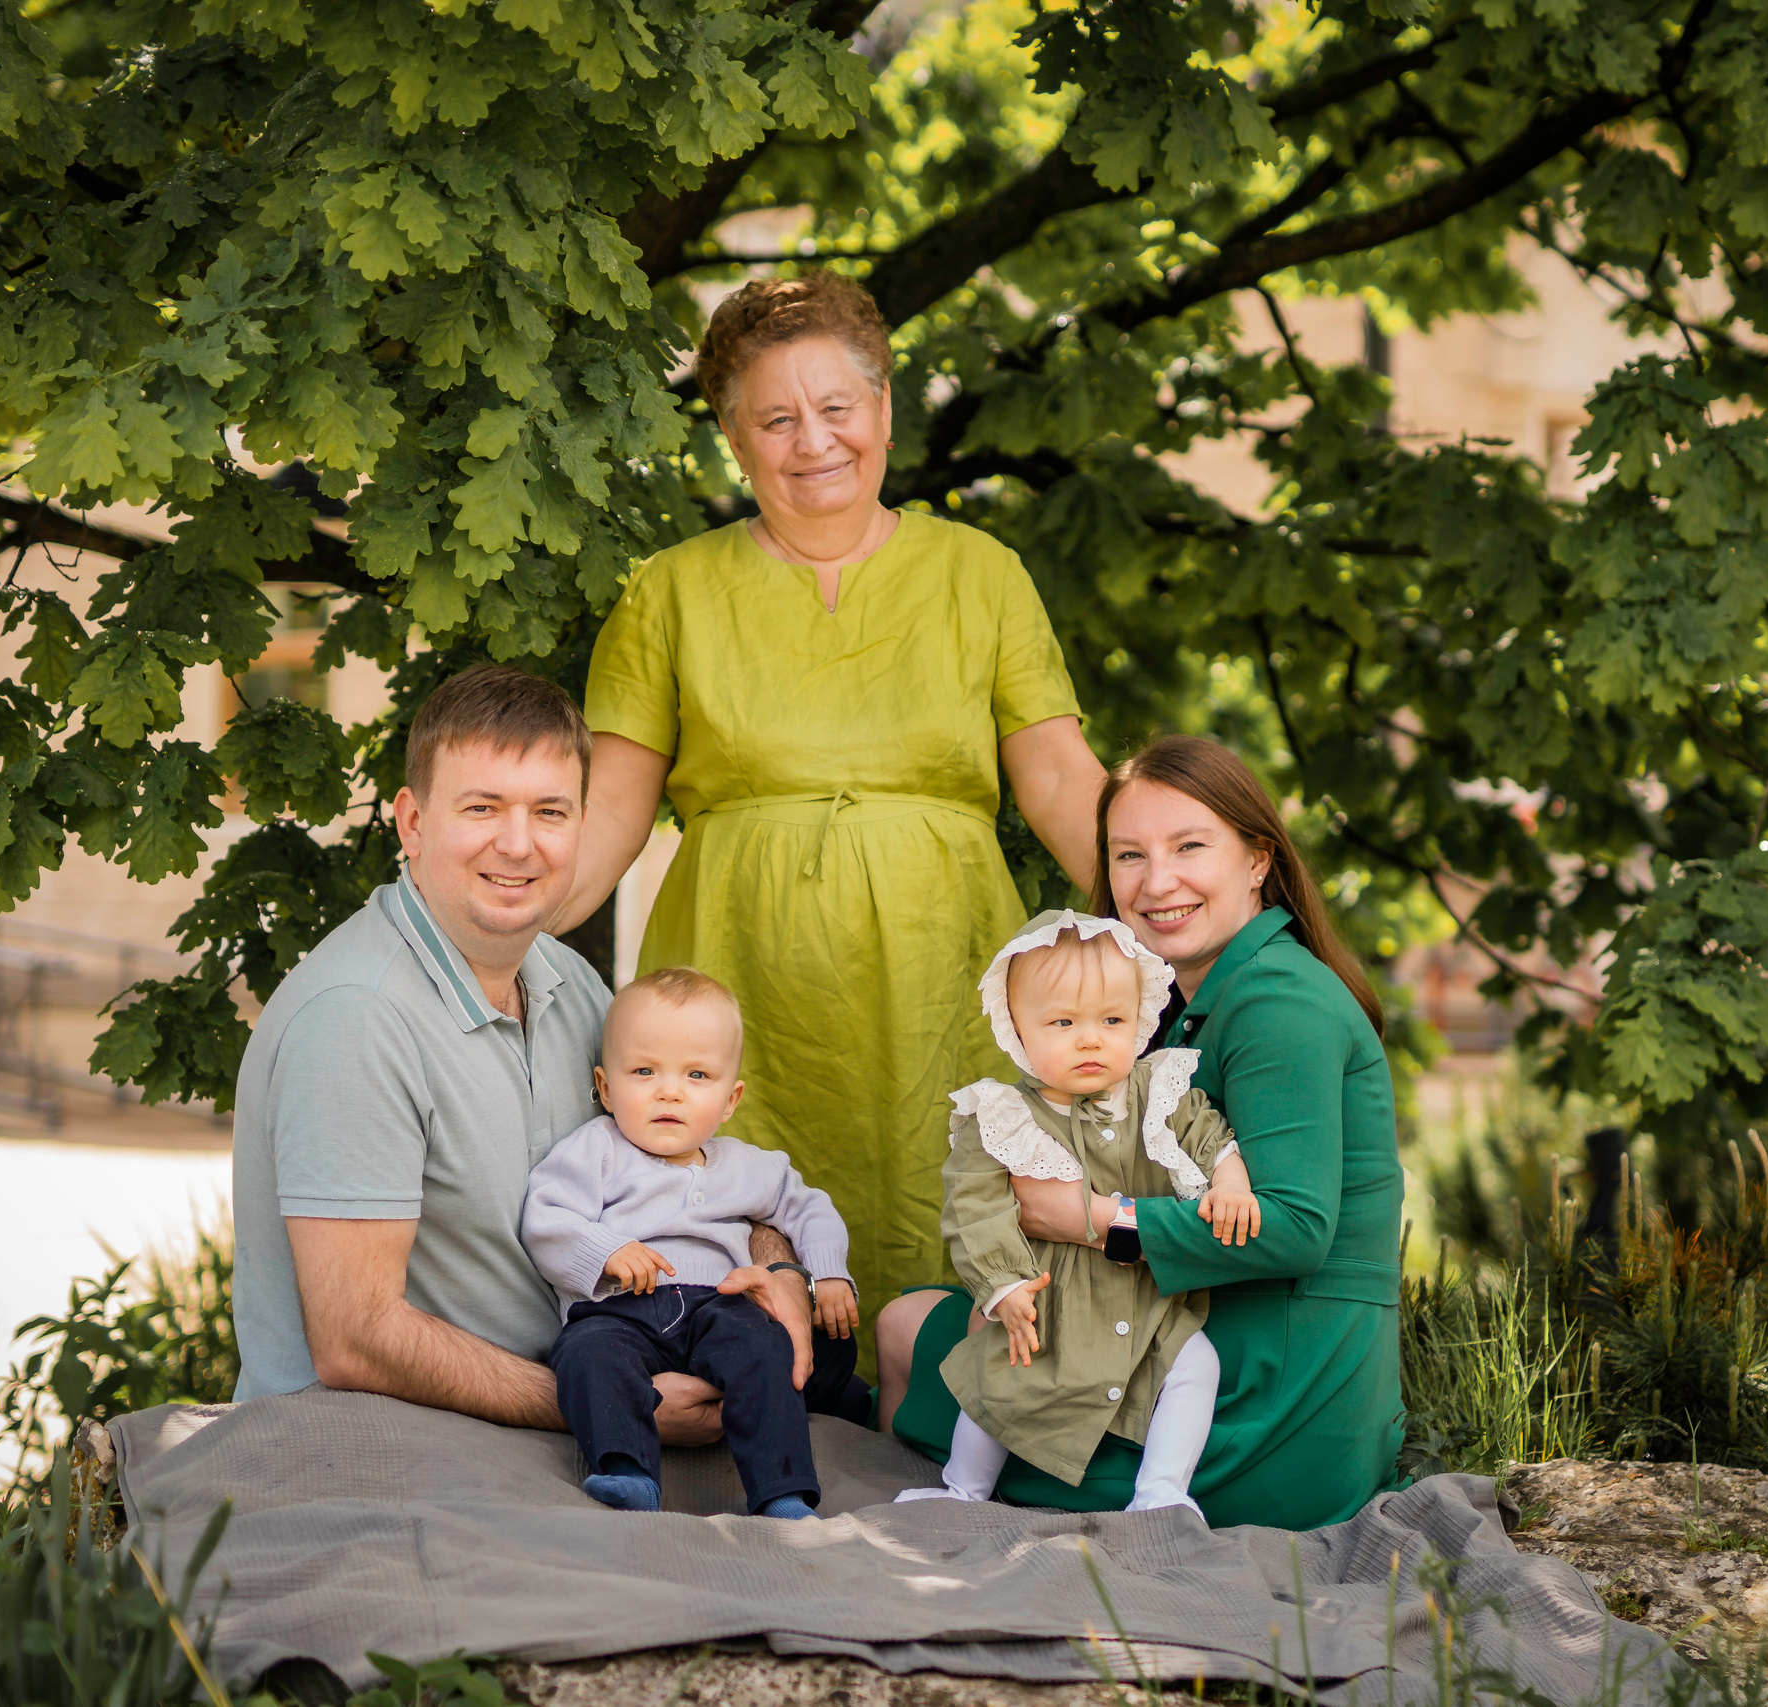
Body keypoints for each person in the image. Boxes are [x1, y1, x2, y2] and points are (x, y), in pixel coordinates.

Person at [551, 270, 1108, 1341]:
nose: (813, 440)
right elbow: (608, 815)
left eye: (836, 408)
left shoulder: (980, 574)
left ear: (885, 410)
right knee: (739, 1265)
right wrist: (488, 941)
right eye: (775, 417)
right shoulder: (667, 591)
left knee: (947, 1242)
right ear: (732, 438)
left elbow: (1056, 781)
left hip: (946, 981)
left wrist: (1183, 922)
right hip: (735, 986)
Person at [228, 665, 838, 1446]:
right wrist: (616, 1400)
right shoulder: (357, 1016)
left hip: (556, 1415)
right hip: (368, 1445)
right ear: (412, 822)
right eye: (482, 807)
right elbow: (357, 1339)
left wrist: (779, 1267)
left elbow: (693, 1162)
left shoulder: (572, 985)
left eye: (549, 811)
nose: (518, 844)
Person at [879, 737, 1407, 1532]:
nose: (1156, 881)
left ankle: (944, 1533)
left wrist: (1088, 1221)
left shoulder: (1277, 1003)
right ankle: (956, 1513)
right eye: (1129, 855)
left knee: (906, 1328)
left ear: (1258, 859)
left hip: (1278, 1398)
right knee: (964, 1318)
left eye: (1190, 846)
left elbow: (1296, 1230)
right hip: (1235, 1338)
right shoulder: (1191, 1002)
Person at [895, 912, 1259, 1515]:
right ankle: (963, 1490)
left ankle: (1161, 1493)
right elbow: (975, 1209)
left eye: (1112, 1020)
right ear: (1018, 1030)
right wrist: (1005, 1286)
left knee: (1196, 1365)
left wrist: (1231, 1183)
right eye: (1063, 1022)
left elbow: (1210, 1138)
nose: (1091, 1039)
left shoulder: (1159, 1091)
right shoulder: (1004, 1116)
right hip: (1050, 1297)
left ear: (1140, 1018)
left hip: (1148, 1300)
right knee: (1001, 1381)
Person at [524, 969, 858, 1518]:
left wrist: (827, 1273)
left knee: (767, 1347)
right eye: (644, 1071)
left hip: (720, 1304)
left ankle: (783, 1492)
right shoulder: (598, 1150)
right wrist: (604, 1250)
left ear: (731, 1099)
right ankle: (627, 1473)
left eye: (697, 1074)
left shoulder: (750, 1166)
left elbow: (811, 1208)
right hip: (618, 1311)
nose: (670, 1090)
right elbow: (546, 1217)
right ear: (606, 1088)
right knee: (586, 1355)